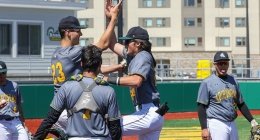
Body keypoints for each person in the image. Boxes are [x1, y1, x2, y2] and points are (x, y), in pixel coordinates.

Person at [50, 0, 123, 131]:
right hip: (71, 109)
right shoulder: (73, 53)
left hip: (61, 108)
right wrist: (113, 18)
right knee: (102, 131)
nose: (81, 34)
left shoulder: (56, 53)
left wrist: (117, 67)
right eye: (78, 31)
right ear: (68, 32)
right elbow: (104, 43)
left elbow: (93, 69)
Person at [34, 45, 122, 140]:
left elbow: (50, 118)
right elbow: (115, 127)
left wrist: (36, 139)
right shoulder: (108, 90)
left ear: (81, 63)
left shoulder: (67, 87)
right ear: (100, 64)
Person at [106, 26, 165, 140]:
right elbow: (112, 43)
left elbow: (136, 81)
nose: (125, 44)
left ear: (137, 44)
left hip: (147, 112)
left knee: (107, 128)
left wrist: (107, 79)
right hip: (151, 112)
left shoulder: (142, 56)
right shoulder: (133, 55)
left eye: (128, 41)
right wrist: (111, 20)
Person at [197, 51, 259, 140]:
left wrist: (252, 121)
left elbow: (240, 103)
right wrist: (204, 128)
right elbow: (201, 106)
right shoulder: (207, 82)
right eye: (220, 63)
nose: (223, 66)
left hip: (232, 122)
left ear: (228, 64)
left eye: (225, 63)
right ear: (215, 64)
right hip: (217, 123)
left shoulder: (233, 80)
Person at [0, 61, 29, 140]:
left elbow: (19, 104)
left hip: (16, 121)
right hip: (1, 123)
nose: (1, 75)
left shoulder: (14, 85)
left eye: (3, 73)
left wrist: (23, 121)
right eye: (0, 73)